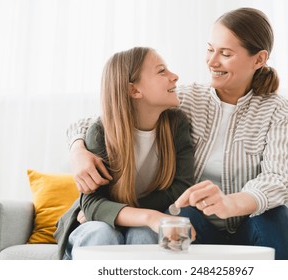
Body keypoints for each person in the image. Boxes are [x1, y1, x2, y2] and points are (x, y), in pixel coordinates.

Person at [66, 7, 288, 260]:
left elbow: (278, 178)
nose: (212, 61)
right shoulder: (185, 100)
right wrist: (78, 149)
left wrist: (230, 204)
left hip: (248, 220)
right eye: (210, 49)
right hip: (196, 222)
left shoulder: (277, 109)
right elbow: (111, 115)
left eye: (226, 54)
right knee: (180, 214)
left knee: (278, 215)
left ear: (258, 59)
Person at [54, 47, 195, 260]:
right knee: (101, 232)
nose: (174, 77)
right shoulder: (101, 132)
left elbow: (181, 187)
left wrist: (130, 215)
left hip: (132, 220)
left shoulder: (177, 126)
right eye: (161, 71)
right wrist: (148, 215)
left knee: (146, 233)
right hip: (92, 224)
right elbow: (92, 204)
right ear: (134, 90)